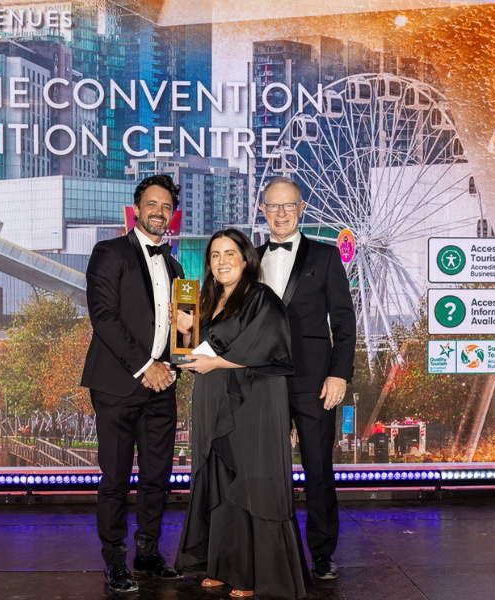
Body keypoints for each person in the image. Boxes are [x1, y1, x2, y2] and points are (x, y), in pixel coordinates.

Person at [174, 229, 310, 599]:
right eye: (214, 255)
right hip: (214, 397)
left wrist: (214, 361)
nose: (221, 262)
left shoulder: (262, 298)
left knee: (250, 478)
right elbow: (191, 350)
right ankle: (222, 565)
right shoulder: (207, 298)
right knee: (219, 478)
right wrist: (184, 335)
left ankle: (254, 574)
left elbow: (268, 346)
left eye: (229, 253)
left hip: (253, 400)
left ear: (246, 258)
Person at [81, 174, 185, 593]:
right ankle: (114, 561)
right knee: (116, 478)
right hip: (118, 385)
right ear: (137, 209)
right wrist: (147, 365)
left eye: (166, 207)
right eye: (152, 204)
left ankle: (147, 553)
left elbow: (182, 329)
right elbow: (103, 317)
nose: (159, 212)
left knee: (158, 477)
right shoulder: (109, 253)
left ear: (172, 215)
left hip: (163, 385)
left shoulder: (177, 266)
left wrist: (176, 362)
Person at [257, 177, 357, 580]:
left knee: (319, 469)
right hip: (262, 381)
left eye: (288, 206)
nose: (280, 213)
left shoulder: (327, 256)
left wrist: (339, 373)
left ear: (302, 209)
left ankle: (322, 552)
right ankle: (270, 550)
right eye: (273, 206)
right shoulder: (249, 258)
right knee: (265, 470)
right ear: (263, 211)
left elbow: (345, 321)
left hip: (316, 381)